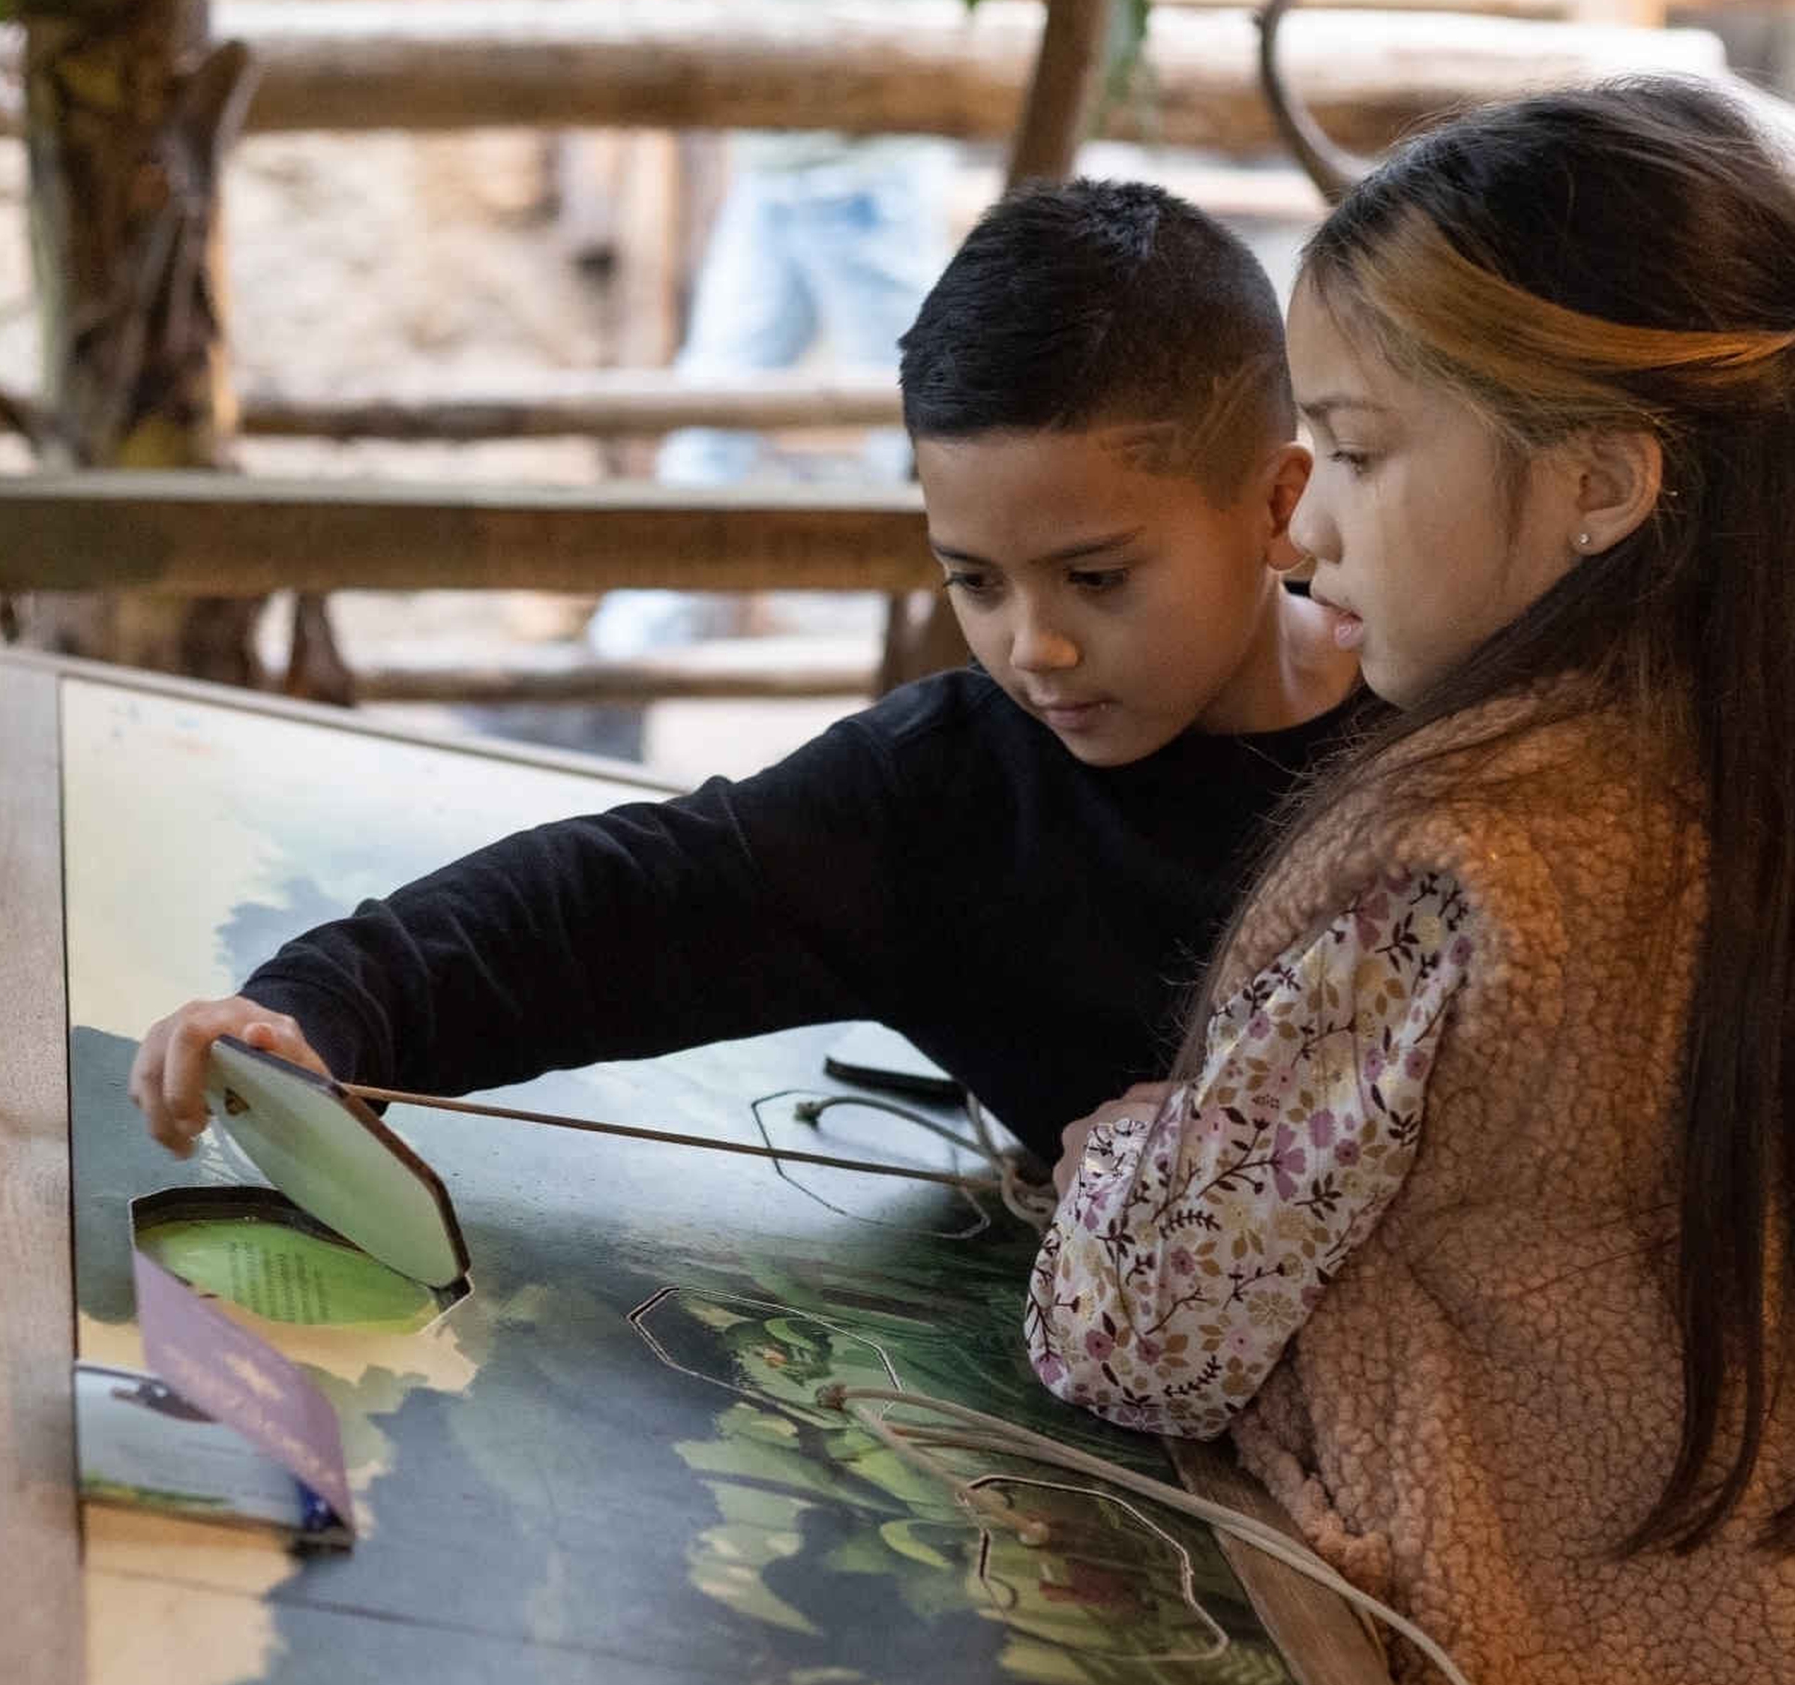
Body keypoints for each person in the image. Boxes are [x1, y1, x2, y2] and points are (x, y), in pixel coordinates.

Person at [1021, 82, 1795, 1685]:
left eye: (1354, 453)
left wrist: (1112, 1146)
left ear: (1607, 481)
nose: (1302, 529)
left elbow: (1133, 1319)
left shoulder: (1449, 880)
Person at [130, 180, 1373, 1165]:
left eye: (1097, 579)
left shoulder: (1449, 734)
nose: (1032, 649)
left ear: (1275, 505)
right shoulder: (942, 801)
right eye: (976, 581)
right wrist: (321, 1010)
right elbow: (621, 903)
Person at [573, 0, 967, 667]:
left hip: (853, 163)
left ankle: (950, 668)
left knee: (920, 425)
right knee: (712, 407)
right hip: (797, 161)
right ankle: (620, 670)